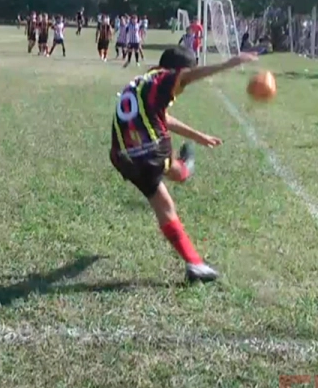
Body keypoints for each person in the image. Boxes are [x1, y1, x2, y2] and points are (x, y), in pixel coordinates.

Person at [110, 45, 258, 282]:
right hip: (149, 150)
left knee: (164, 188)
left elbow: (163, 117)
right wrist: (229, 64)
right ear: (177, 70)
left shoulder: (146, 80)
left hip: (123, 154)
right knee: (166, 205)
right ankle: (194, 264)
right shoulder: (166, 78)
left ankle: (183, 168)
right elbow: (187, 76)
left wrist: (199, 136)